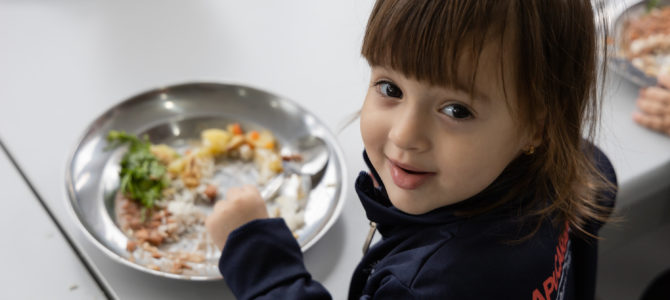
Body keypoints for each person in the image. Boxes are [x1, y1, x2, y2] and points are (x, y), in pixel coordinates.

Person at [205, 1, 618, 299]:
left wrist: (261, 261)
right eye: (391, 88)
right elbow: (601, 174)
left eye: (456, 110)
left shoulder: (424, 287)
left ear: (538, 125)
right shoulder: (573, 169)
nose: (404, 135)